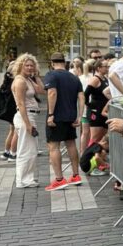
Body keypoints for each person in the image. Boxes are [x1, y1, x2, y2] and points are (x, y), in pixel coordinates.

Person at [44, 52, 84, 192]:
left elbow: (52, 93)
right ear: (64, 62)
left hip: (57, 117)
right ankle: (76, 176)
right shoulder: (74, 77)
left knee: (54, 147)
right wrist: (80, 116)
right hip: (71, 116)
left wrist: (51, 114)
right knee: (71, 144)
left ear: (52, 63)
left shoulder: (51, 75)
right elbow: (81, 97)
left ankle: (59, 180)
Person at [11, 54, 43, 188]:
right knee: (26, 150)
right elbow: (21, 104)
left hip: (30, 116)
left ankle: (27, 178)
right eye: (27, 65)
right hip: (25, 117)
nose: (30, 67)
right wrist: (28, 124)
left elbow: (41, 90)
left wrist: (36, 76)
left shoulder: (28, 79)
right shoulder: (20, 81)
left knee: (31, 150)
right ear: (21, 66)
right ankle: (23, 180)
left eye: (32, 65)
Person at [84, 59, 111, 148]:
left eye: (108, 66)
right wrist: (89, 105)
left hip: (103, 111)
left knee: (102, 138)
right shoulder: (95, 79)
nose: (107, 68)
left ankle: (96, 156)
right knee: (95, 138)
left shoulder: (105, 78)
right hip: (96, 111)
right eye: (105, 66)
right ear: (99, 68)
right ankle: (88, 155)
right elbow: (86, 94)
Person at [0, 62, 17, 160]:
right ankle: (12, 153)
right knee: (15, 132)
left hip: (10, 110)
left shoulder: (7, 81)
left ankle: (6, 151)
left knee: (12, 131)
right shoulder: (14, 82)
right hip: (14, 109)